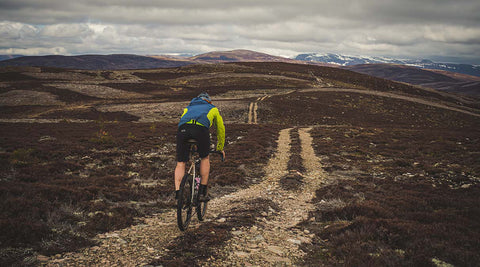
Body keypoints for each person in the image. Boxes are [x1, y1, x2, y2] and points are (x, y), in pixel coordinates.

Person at [174, 92, 225, 202]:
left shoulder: (188, 108)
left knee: (181, 162)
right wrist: (220, 148)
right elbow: (220, 129)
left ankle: (178, 194)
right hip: (200, 131)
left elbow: (182, 122)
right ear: (209, 101)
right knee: (204, 158)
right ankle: (202, 191)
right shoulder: (213, 108)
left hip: (183, 131)